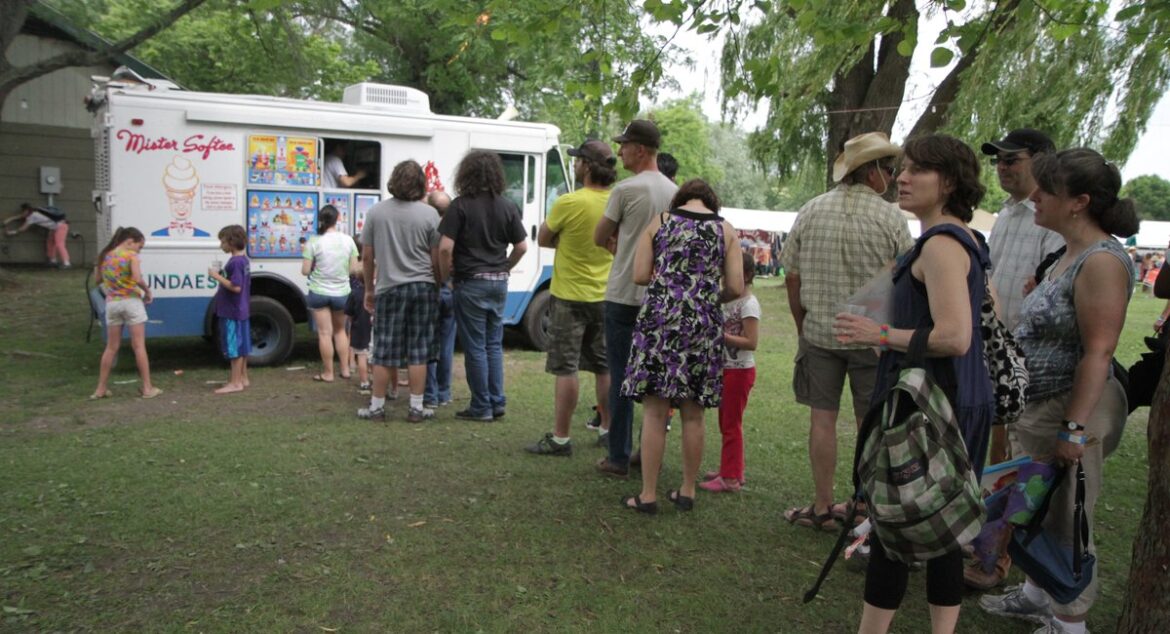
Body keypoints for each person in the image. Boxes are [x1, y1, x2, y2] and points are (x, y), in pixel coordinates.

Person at [834, 134, 994, 634]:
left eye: (917, 170)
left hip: (930, 407)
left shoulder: (944, 244)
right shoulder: (956, 238)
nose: (901, 178)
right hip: (949, 400)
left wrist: (879, 333)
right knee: (942, 530)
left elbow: (955, 336)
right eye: (902, 168)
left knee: (894, 526)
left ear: (949, 182)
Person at [979, 149, 1139, 634]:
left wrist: (1073, 427)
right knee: (1038, 507)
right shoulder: (1068, 253)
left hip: (1071, 408)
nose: (1036, 196)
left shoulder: (1103, 261)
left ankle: (1072, 622)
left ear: (1079, 202)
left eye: (1047, 190)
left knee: (1069, 516)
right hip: (1042, 405)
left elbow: (1099, 351)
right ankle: (1035, 595)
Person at [781, 132, 914, 531]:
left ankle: (822, 506)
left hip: (820, 333)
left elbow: (792, 276)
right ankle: (866, 507)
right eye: (888, 169)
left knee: (822, 420)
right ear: (871, 172)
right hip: (873, 339)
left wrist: (803, 325)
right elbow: (907, 279)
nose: (891, 177)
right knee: (869, 424)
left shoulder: (811, 209)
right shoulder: (892, 217)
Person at [619, 179, 743, 513]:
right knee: (693, 412)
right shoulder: (726, 229)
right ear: (710, 203)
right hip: (702, 322)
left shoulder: (660, 222)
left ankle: (647, 495)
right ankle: (687, 491)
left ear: (682, 200)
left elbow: (640, 274)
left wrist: (670, 281)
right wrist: (708, 296)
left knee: (655, 411)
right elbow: (736, 285)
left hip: (660, 320)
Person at [593, 119, 678, 477]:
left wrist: (619, 245)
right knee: (656, 379)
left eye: (624, 145)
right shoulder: (677, 192)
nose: (620, 151)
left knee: (621, 373)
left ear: (640, 150)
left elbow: (600, 236)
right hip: (661, 297)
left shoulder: (626, 190)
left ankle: (617, 455)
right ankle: (648, 448)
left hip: (625, 293)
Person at [525, 140, 617, 457]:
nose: (575, 166)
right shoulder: (617, 202)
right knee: (604, 367)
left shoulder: (569, 202)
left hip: (568, 296)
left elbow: (544, 238)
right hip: (606, 296)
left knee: (567, 368)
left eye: (578, 161)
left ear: (587, 167)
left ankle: (561, 438)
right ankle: (607, 430)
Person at [360, 160, 442, 422]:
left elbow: (367, 257)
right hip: (423, 286)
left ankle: (377, 406)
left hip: (389, 286)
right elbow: (435, 256)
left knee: (384, 349)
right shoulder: (430, 214)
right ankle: (417, 407)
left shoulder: (376, 213)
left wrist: (369, 290)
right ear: (421, 183)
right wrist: (437, 284)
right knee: (419, 350)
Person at [701, 250, 760, 493]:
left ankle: (731, 479)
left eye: (729, 274)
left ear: (745, 275)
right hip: (727, 369)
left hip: (739, 372)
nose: (725, 279)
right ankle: (731, 469)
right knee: (726, 422)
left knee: (731, 424)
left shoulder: (749, 304)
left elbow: (752, 342)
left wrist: (721, 336)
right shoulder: (729, 300)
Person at [91, 227, 161, 400]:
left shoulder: (105, 256)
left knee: (111, 347)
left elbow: (97, 280)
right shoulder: (131, 256)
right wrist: (147, 290)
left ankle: (100, 389)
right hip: (131, 302)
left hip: (112, 304)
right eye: (140, 246)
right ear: (130, 241)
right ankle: (147, 388)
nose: (139, 250)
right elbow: (137, 279)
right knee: (138, 346)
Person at [302, 205, 358, 382]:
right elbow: (354, 269)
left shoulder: (313, 242)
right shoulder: (349, 240)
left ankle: (328, 373)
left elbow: (304, 270)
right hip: (342, 293)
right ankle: (345, 369)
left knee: (325, 333)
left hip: (318, 291)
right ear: (338, 218)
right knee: (341, 331)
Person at [207, 225, 252, 394]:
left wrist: (216, 276)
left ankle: (235, 383)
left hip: (232, 310)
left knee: (234, 347)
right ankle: (243, 377)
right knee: (243, 344)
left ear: (232, 242)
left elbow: (236, 287)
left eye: (223, 241)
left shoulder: (236, 262)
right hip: (242, 308)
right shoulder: (244, 260)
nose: (221, 245)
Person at [424, 190, 457, 409]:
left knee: (428, 344)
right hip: (452, 291)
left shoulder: (430, 228)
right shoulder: (455, 229)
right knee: (446, 344)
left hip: (432, 288)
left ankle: (430, 394)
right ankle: (444, 392)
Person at [3, 203, 73, 268]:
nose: (22, 213)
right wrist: (9, 219)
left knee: (59, 244)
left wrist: (12, 232)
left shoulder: (32, 216)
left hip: (61, 226)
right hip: (54, 227)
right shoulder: (35, 212)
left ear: (27, 211)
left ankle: (67, 263)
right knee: (50, 243)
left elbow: (23, 228)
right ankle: (52, 261)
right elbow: (21, 216)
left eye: (23, 211)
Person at [345, 241, 373, 393]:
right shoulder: (376, 295)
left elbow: (349, 314)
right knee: (373, 357)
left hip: (359, 330)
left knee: (361, 356)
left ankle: (364, 382)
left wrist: (351, 323)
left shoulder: (354, 294)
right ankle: (375, 378)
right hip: (373, 329)